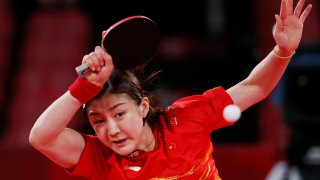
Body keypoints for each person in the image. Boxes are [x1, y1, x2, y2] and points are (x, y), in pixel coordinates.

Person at [29, 0, 312, 179]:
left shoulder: (187, 118)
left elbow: (254, 86)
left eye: (118, 113)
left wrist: (282, 51)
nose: (111, 129)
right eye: (98, 121)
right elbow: (41, 137)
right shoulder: (100, 158)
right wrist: (83, 87)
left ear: (142, 107)